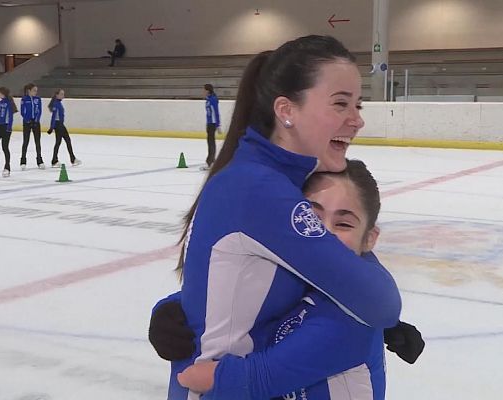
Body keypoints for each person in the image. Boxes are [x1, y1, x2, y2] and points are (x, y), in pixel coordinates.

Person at [157, 35, 401, 400]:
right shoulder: (260, 188)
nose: (357, 120)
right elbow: (380, 302)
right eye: (340, 104)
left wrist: (176, 305)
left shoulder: (273, 179)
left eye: (358, 104)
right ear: (286, 110)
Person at [174, 160, 425, 399]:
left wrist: (213, 378)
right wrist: (174, 307)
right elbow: (237, 289)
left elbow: (255, 379)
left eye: (344, 224)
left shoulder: (353, 319)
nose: (324, 234)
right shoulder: (291, 270)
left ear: (369, 239)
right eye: (311, 219)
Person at [47, 89, 81, 167]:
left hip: (60, 125)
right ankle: (55, 160)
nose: (63, 95)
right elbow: (54, 117)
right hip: (58, 125)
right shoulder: (56, 104)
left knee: (66, 141)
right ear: (57, 95)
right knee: (60, 142)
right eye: (61, 94)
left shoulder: (58, 103)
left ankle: (72, 159)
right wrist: (52, 127)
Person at [0, 86, 18, 177]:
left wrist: (9, 127)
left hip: (6, 127)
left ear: (2, 93)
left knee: (5, 147)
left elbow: (10, 116)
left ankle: (7, 167)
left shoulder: (9, 103)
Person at [20, 83, 45, 170]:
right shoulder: (24, 99)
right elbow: (22, 111)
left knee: (37, 142)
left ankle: (39, 160)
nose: (35, 92)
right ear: (29, 91)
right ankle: (23, 161)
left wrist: (36, 120)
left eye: (36, 91)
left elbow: (39, 110)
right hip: (27, 123)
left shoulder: (38, 99)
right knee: (25, 141)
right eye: (34, 90)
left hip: (36, 123)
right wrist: (28, 120)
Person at [200, 83, 221, 171]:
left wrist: (218, 125)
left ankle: (210, 162)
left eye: (204, 90)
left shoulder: (212, 100)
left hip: (212, 124)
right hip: (209, 123)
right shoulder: (208, 99)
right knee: (210, 142)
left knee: (211, 142)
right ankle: (211, 161)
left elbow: (216, 112)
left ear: (207, 91)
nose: (202, 91)